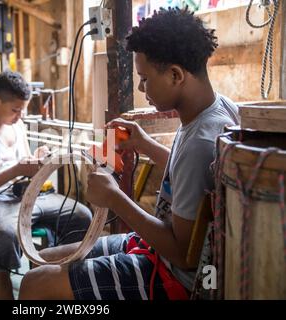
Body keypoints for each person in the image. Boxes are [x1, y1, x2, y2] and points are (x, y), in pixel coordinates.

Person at [18, 7, 240, 300]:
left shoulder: (200, 140)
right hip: (159, 250)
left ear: (175, 75)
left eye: (145, 79)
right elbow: (191, 174)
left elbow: (183, 255)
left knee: (35, 284)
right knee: (45, 257)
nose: (140, 87)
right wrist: (145, 144)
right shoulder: (217, 109)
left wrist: (115, 199)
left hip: (176, 277)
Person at [0, 70, 92, 300]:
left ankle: (53, 276)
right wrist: (18, 169)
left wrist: (37, 158)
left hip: (23, 193)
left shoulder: (16, 125)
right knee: (7, 233)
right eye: (15, 110)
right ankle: (4, 278)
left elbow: (24, 163)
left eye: (23, 109)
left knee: (80, 215)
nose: (20, 116)